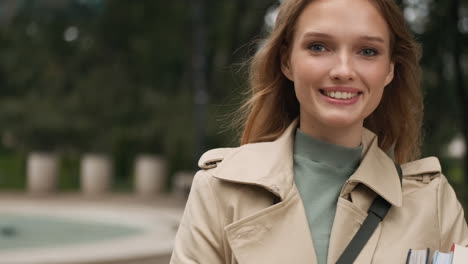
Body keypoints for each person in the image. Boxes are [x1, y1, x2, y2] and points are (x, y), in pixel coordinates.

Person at [170, 0, 468, 263]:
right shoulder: (219, 190)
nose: (343, 69)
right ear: (287, 61)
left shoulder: (434, 203)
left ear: (389, 69)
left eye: (367, 51)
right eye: (318, 47)